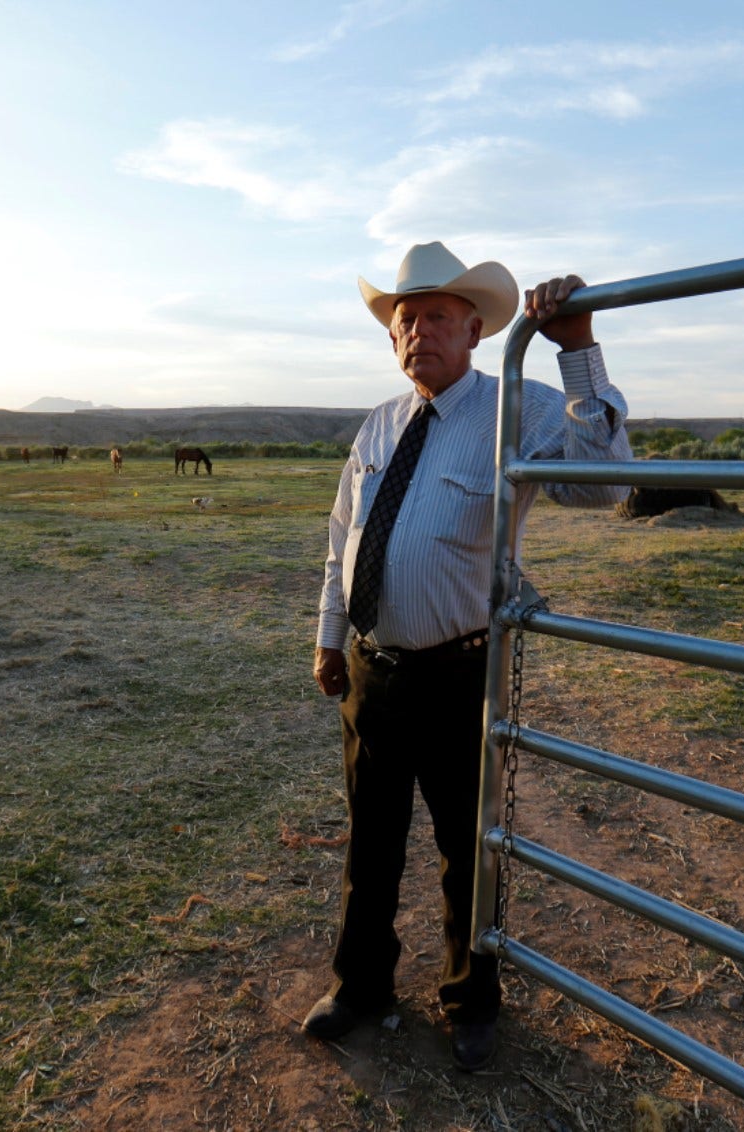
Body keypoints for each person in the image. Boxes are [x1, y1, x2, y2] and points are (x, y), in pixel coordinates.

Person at [302, 242, 631, 1072]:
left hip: (459, 673)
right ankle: (362, 985)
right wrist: (330, 636)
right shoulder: (379, 423)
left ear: (477, 330)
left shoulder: (515, 406)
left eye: (438, 318)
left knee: (465, 849)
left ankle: (469, 999)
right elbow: (346, 534)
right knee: (369, 841)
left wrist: (577, 351)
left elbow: (605, 487)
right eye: (406, 321)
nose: (420, 334)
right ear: (393, 339)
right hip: (375, 673)